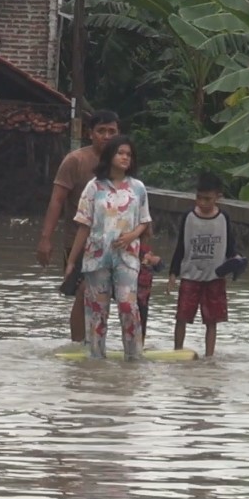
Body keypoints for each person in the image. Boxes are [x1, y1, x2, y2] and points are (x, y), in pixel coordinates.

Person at [36, 110, 120, 342]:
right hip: (79, 241)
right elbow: (57, 200)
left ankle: (99, 342)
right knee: (84, 292)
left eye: (111, 131)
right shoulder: (76, 161)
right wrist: (45, 239)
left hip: (114, 242)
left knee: (107, 295)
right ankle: (78, 344)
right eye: (101, 131)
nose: (106, 136)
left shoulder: (123, 162)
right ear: (90, 133)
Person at [65, 135, 151, 360]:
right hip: (97, 257)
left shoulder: (138, 188)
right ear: (110, 156)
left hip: (127, 257)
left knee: (128, 306)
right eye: (120, 153)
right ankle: (96, 360)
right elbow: (84, 225)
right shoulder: (93, 187)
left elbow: (144, 221)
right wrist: (72, 260)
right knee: (97, 311)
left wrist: (132, 235)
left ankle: (134, 358)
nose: (125, 158)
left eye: (129, 154)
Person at [168, 172, 237, 357]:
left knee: (211, 320)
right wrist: (173, 273)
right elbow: (181, 246)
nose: (202, 203)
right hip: (190, 275)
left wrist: (235, 264)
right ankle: (177, 350)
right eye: (199, 198)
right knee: (182, 316)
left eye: (207, 199)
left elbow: (230, 247)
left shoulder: (224, 218)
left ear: (217, 197)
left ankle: (209, 356)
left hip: (215, 277)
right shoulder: (188, 217)